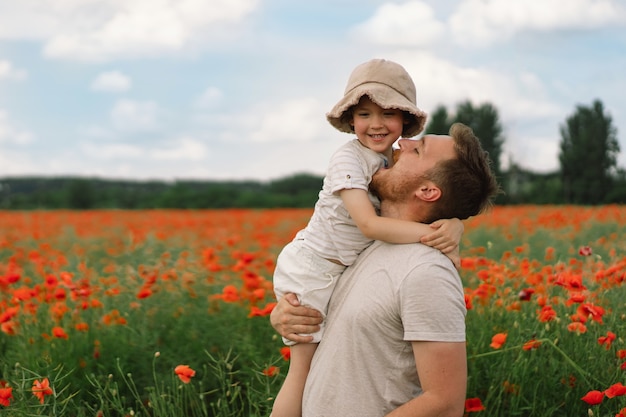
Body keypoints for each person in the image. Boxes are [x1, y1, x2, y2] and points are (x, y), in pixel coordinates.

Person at [271, 59, 465, 417]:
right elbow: (370, 225)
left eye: (388, 114)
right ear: (350, 120)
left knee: (308, 366)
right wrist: (433, 233)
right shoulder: (349, 159)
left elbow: (440, 189)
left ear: (405, 122)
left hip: (334, 266)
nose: (376, 124)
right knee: (301, 370)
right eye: (364, 114)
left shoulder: (389, 162)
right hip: (313, 265)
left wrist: (453, 223)